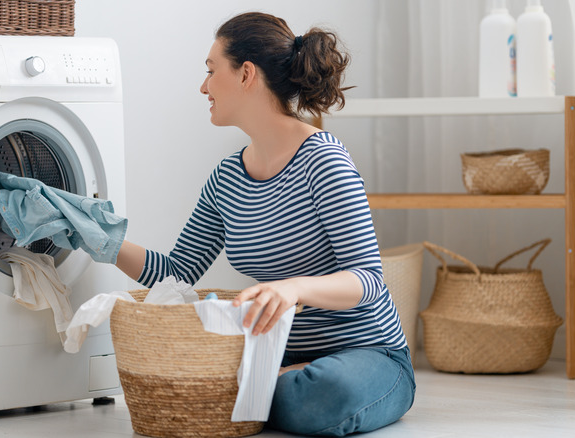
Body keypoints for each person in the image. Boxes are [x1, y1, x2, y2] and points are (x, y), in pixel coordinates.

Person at [114, 11, 415, 437]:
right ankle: (266, 386)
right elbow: (177, 275)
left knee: (322, 392)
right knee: (273, 390)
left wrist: (294, 288)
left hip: (366, 353)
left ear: (246, 74)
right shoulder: (226, 178)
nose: (203, 86)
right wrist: (105, 242)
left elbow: (368, 280)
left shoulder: (323, 161)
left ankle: (256, 392)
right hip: (277, 355)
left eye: (211, 71)